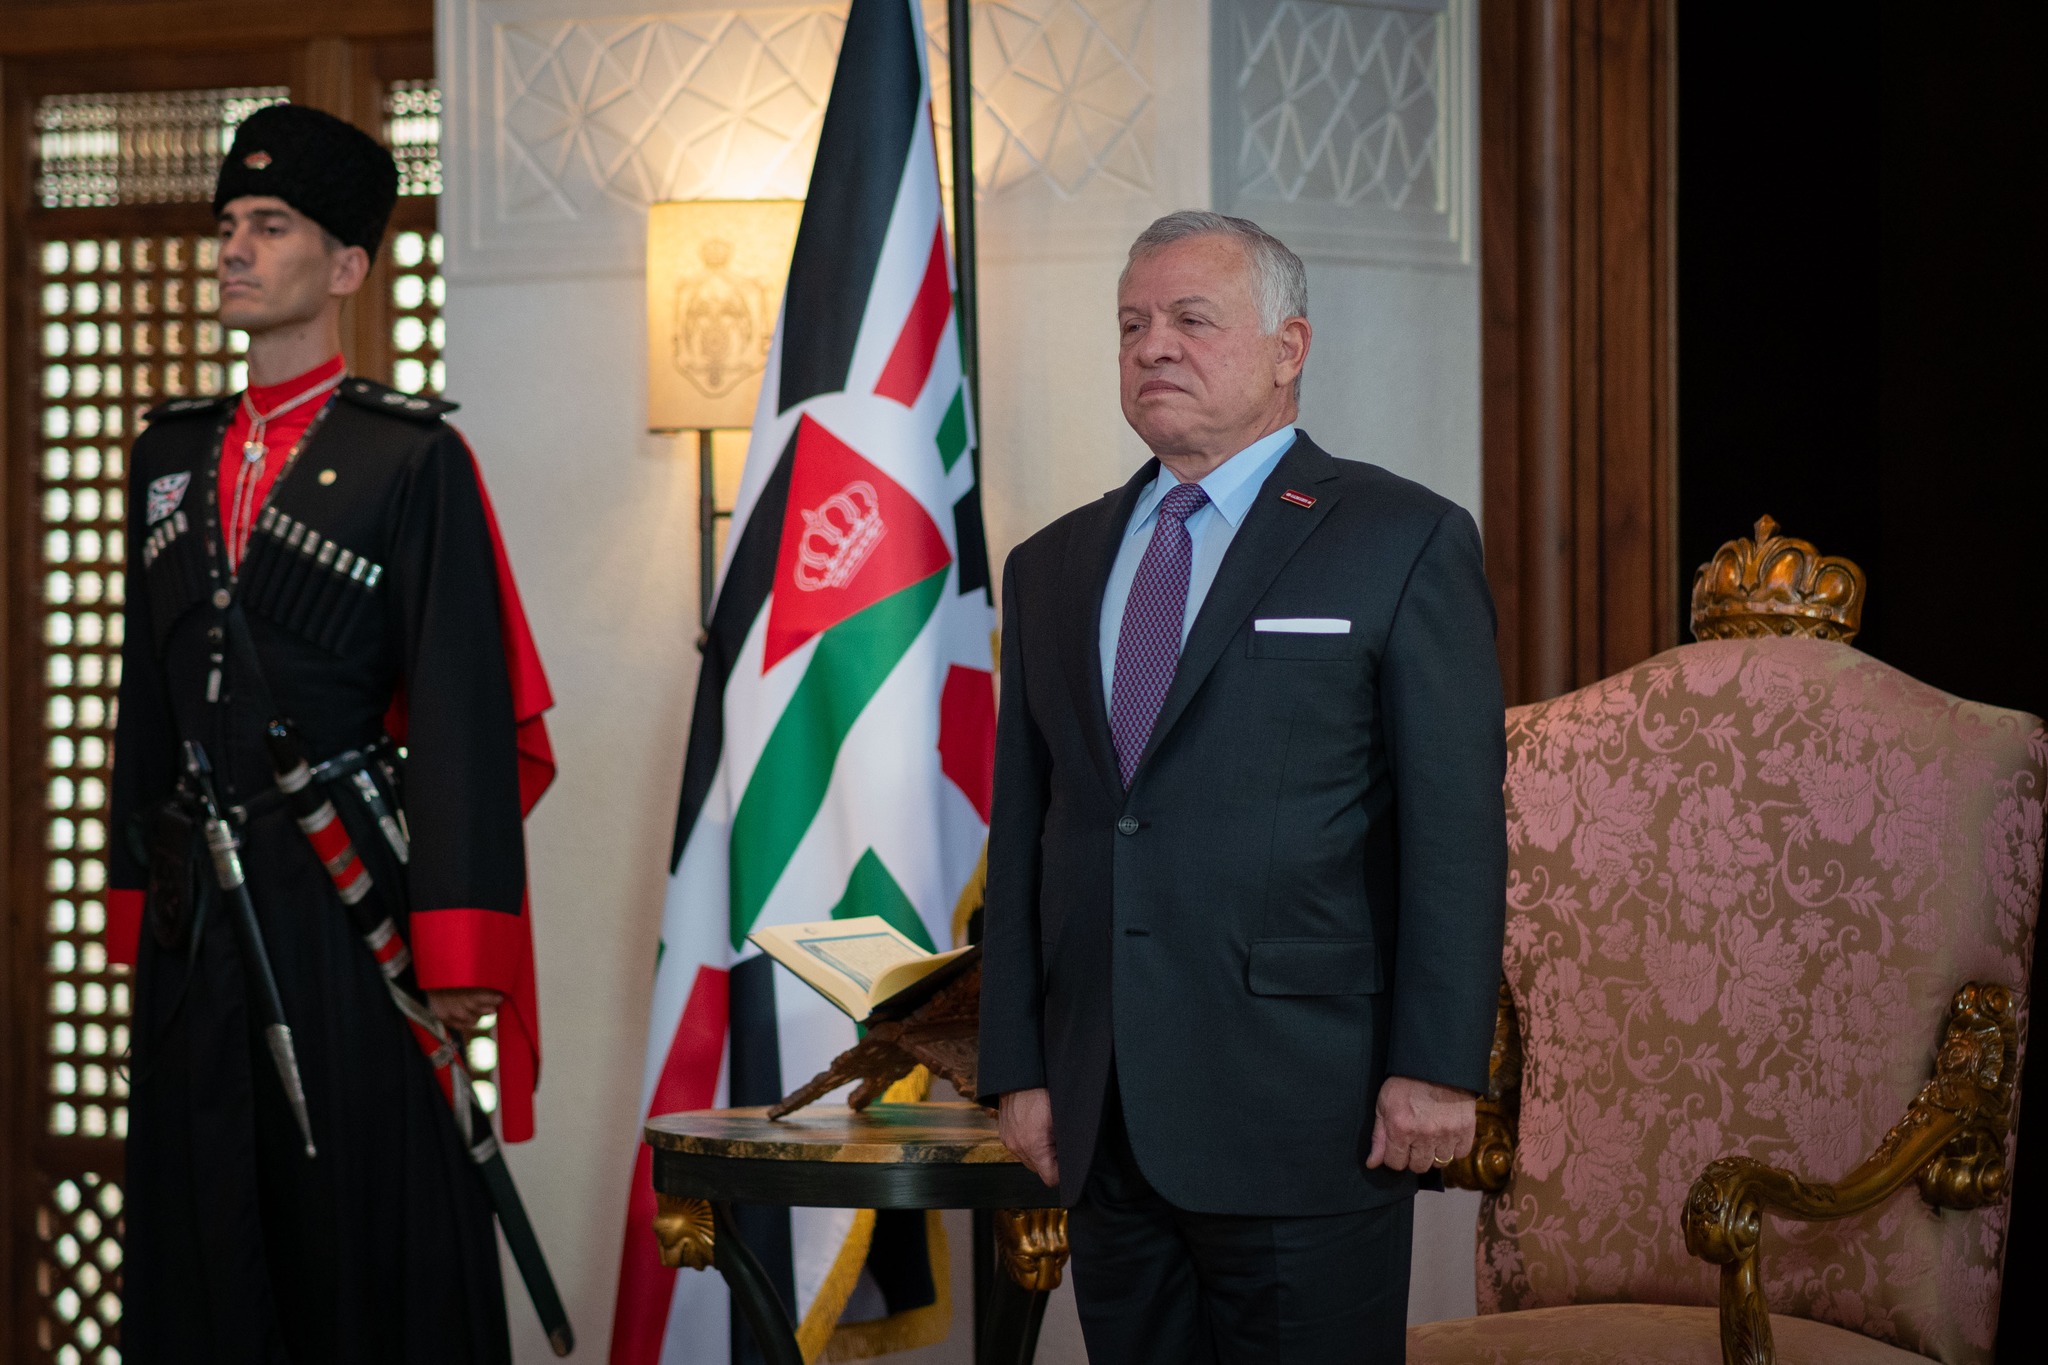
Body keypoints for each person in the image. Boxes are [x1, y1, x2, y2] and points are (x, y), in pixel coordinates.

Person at [977, 210, 1507, 1363]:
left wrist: (1434, 1065)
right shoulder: (1051, 565)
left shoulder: (1399, 538)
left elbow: (1454, 832)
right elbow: (1024, 833)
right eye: (1131, 324)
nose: (1152, 346)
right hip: (1104, 1112)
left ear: (1287, 347)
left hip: (1305, 1108)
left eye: (1190, 319)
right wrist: (1016, 1066)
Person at [108, 103, 554, 1363]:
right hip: (199, 905)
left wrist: (459, 948)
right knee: (204, 1210)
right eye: (228, 225)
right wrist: (136, 907)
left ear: (347, 264)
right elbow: (149, 700)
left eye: (270, 225)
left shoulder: (408, 457)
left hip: (342, 890)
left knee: (354, 1213)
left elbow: (462, 708)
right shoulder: (168, 454)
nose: (234, 249)